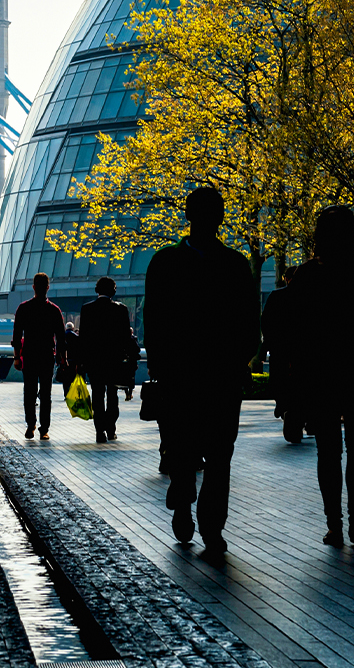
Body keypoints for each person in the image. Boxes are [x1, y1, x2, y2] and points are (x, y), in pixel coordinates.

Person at [143, 186, 259, 555]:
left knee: (205, 450)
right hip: (209, 375)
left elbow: (154, 320)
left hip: (189, 374)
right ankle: (205, 520)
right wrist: (241, 359)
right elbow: (248, 322)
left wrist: (160, 364)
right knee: (212, 453)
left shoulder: (165, 263)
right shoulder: (236, 265)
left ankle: (196, 511)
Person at [275, 205, 354, 549]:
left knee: (327, 452)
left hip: (320, 375)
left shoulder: (306, 276)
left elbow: (293, 331)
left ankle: (334, 524)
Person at [79, 277, 133, 444]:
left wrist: (82, 361)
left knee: (97, 395)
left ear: (97, 290)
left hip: (94, 361)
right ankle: (111, 428)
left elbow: (84, 338)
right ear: (113, 291)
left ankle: (99, 430)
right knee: (112, 394)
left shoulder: (87, 309)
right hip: (114, 360)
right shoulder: (121, 310)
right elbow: (126, 337)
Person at [12, 273, 63, 441]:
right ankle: (44, 429)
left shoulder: (24, 308)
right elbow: (61, 337)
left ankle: (30, 425)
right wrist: (62, 358)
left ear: (33, 287)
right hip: (47, 356)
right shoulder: (54, 310)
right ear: (48, 287)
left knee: (29, 392)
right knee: (46, 394)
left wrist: (17, 357)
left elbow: (17, 334)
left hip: (29, 355)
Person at [261, 265, 304, 444]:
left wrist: (266, 346)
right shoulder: (311, 297)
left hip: (280, 349)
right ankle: (298, 414)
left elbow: (267, 323)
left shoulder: (276, 296)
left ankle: (282, 405)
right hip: (302, 351)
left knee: (280, 381)